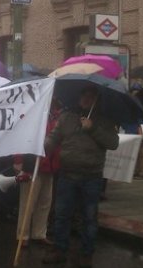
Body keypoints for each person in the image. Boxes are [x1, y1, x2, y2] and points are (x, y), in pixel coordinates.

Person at [42, 86, 119, 268]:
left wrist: (92, 128)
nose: (86, 98)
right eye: (83, 94)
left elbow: (113, 143)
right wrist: (41, 147)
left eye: (90, 96)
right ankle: (60, 250)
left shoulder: (104, 120)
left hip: (91, 177)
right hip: (67, 175)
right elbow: (54, 138)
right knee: (62, 215)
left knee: (89, 218)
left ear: (96, 99)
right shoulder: (67, 117)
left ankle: (87, 253)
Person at [13, 101, 61, 247]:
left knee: (45, 202)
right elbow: (21, 135)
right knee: (28, 202)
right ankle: (23, 235)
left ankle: (39, 233)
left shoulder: (58, 115)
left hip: (50, 165)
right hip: (33, 163)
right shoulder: (34, 112)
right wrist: (18, 160)